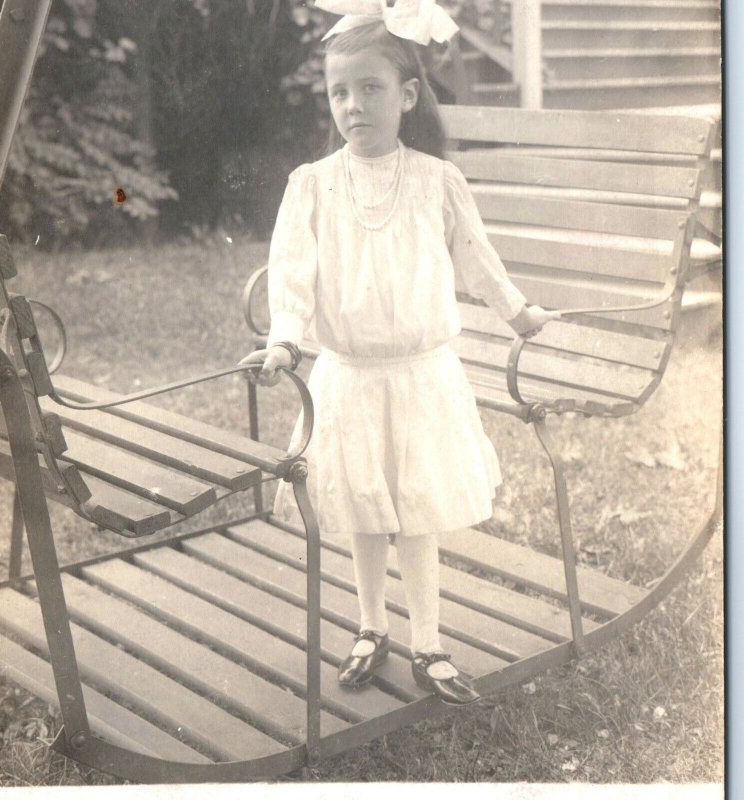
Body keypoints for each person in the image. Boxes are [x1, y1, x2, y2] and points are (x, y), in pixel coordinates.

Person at [239, 0, 556, 706]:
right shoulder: (311, 185)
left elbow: (478, 258)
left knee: (413, 509)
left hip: (420, 377)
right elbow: (291, 274)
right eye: (339, 92)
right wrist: (285, 339)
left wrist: (517, 311)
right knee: (361, 509)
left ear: (408, 95)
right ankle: (370, 625)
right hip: (348, 377)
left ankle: (430, 640)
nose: (354, 106)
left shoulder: (435, 181)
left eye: (371, 89)